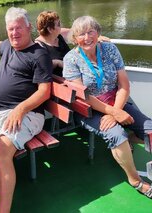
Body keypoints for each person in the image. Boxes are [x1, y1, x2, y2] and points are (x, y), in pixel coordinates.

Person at [0, 7, 53, 212]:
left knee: (2, 152)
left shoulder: (39, 54)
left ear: (29, 27)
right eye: (10, 29)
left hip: (29, 114)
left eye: (18, 28)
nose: (14, 33)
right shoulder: (7, 46)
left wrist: (21, 109)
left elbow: (44, 92)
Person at [63, 16, 152, 199]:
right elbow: (84, 96)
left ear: (98, 33)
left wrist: (115, 111)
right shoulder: (71, 59)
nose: (86, 37)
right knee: (117, 135)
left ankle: (132, 138)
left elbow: (124, 85)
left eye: (90, 32)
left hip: (116, 101)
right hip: (88, 110)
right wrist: (113, 113)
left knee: (150, 128)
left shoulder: (110, 49)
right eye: (81, 34)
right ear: (75, 39)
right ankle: (136, 181)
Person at [35, 10, 70, 76]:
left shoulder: (58, 36)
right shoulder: (38, 46)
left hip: (73, 74)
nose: (61, 26)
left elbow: (74, 32)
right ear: (50, 29)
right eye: (59, 24)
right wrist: (57, 62)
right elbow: (40, 66)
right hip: (60, 82)